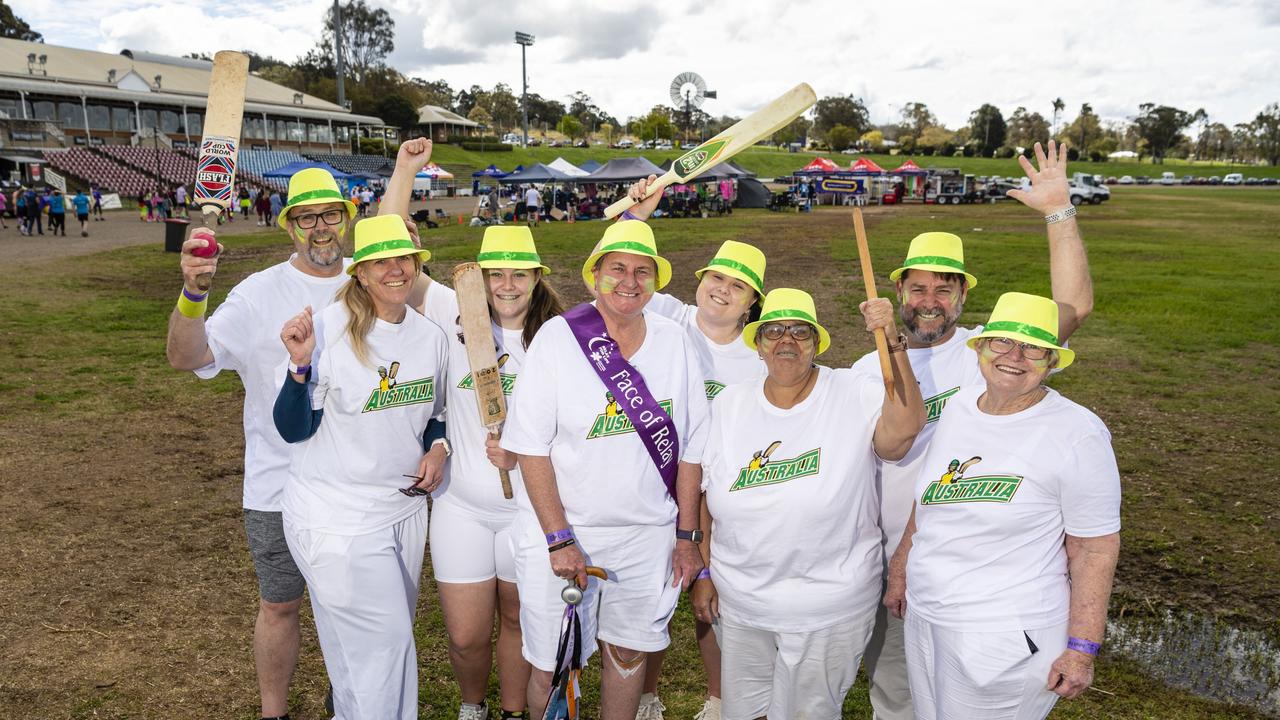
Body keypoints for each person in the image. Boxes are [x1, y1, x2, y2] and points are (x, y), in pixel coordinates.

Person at [165, 140, 433, 720]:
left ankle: (356, 707)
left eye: (330, 214)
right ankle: (274, 713)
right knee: (281, 606)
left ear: (346, 219)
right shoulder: (259, 292)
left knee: (363, 620)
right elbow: (188, 358)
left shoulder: (370, 283)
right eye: (307, 216)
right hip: (277, 485)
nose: (320, 227)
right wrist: (193, 293)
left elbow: (393, 236)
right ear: (289, 225)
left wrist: (404, 171)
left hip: (367, 490)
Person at [854, 140, 1094, 720]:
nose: (929, 300)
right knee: (896, 692)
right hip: (888, 556)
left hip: (983, 573)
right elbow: (889, 445)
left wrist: (1060, 212)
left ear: (964, 295)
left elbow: (1073, 308)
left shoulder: (996, 351)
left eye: (944, 288)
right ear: (897, 294)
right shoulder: (866, 370)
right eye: (917, 288)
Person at [502, 220, 709, 720]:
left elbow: (691, 449)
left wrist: (686, 537)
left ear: (655, 282)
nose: (629, 281)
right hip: (566, 531)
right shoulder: (557, 338)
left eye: (643, 271)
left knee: (629, 651)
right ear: (595, 275)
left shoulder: (675, 341)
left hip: (647, 534)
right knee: (555, 664)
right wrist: (558, 538)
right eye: (617, 268)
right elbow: (531, 448)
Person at [884, 292, 1121, 719]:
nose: (1015, 356)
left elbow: (1094, 548)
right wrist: (901, 567)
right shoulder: (959, 407)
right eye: (1002, 342)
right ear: (981, 349)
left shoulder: (1076, 433)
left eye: (1034, 347)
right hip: (928, 616)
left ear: (1051, 361)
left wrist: (1082, 647)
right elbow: (930, 498)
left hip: (1004, 635)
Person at [696, 288, 925, 720]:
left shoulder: (852, 391)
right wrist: (705, 573)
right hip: (742, 603)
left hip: (828, 607)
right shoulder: (729, 404)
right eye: (774, 332)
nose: (787, 341)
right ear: (758, 345)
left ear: (817, 343)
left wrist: (891, 338)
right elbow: (707, 498)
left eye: (800, 332)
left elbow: (904, 430)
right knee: (744, 712)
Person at [273, 213, 447, 719]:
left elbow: (434, 417)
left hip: (403, 511)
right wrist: (299, 367)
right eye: (380, 262)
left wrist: (439, 449)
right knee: (385, 649)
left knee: (361, 659)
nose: (395, 270)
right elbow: (293, 427)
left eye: (404, 259)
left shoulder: (429, 337)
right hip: (337, 519)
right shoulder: (326, 332)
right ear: (361, 272)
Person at [621, 177, 769, 720]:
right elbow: (624, 268)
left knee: (713, 597)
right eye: (716, 278)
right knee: (654, 597)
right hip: (658, 480)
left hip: (722, 489)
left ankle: (719, 697)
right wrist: (640, 214)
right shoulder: (671, 318)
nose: (722, 291)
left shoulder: (758, 356)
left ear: (752, 302)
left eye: (738, 286)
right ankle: (647, 695)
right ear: (700, 280)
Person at [429, 226, 564, 720]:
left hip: (528, 511)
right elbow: (388, 254)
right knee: (465, 634)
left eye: (519, 274)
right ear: (481, 280)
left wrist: (521, 451)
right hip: (460, 506)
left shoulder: (560, 336)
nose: (507, 285)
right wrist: (406, 169)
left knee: (516, 619)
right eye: (496, 275)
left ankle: (510, 711)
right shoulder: (452, 318)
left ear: (536, 278)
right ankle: (472, 707)